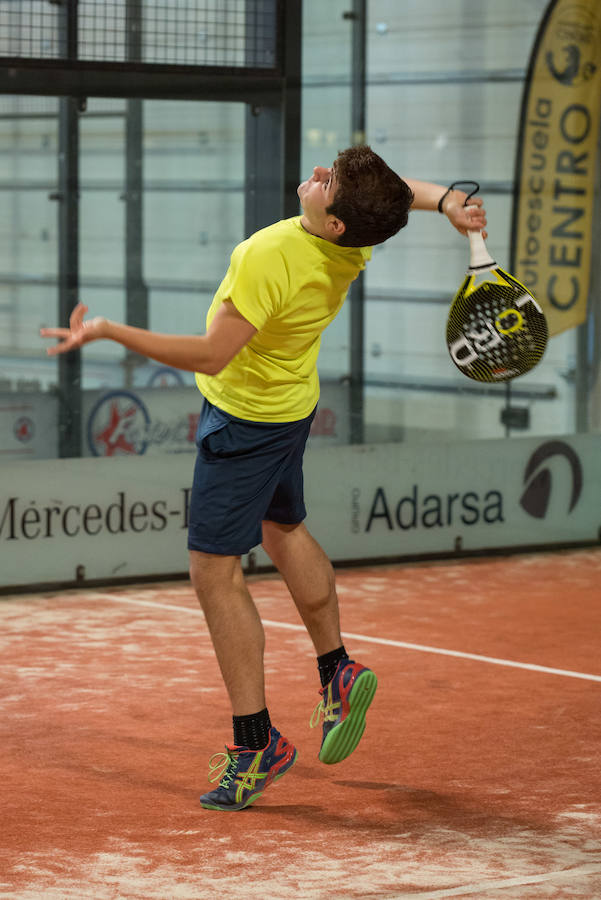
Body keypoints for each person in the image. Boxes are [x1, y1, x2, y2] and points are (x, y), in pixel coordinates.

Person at [41, 145, 487, 812]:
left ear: (337, 219)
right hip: (291, 407)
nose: (314, 173)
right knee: (283, 528)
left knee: (212, 572)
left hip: (244, 420)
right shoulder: (355, 239)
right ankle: (336, 671)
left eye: (326, 181)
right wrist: (448, 199)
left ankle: (256, 746)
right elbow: (397, 197)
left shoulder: (270, 257)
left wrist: (110, 331)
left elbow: (213, 355)